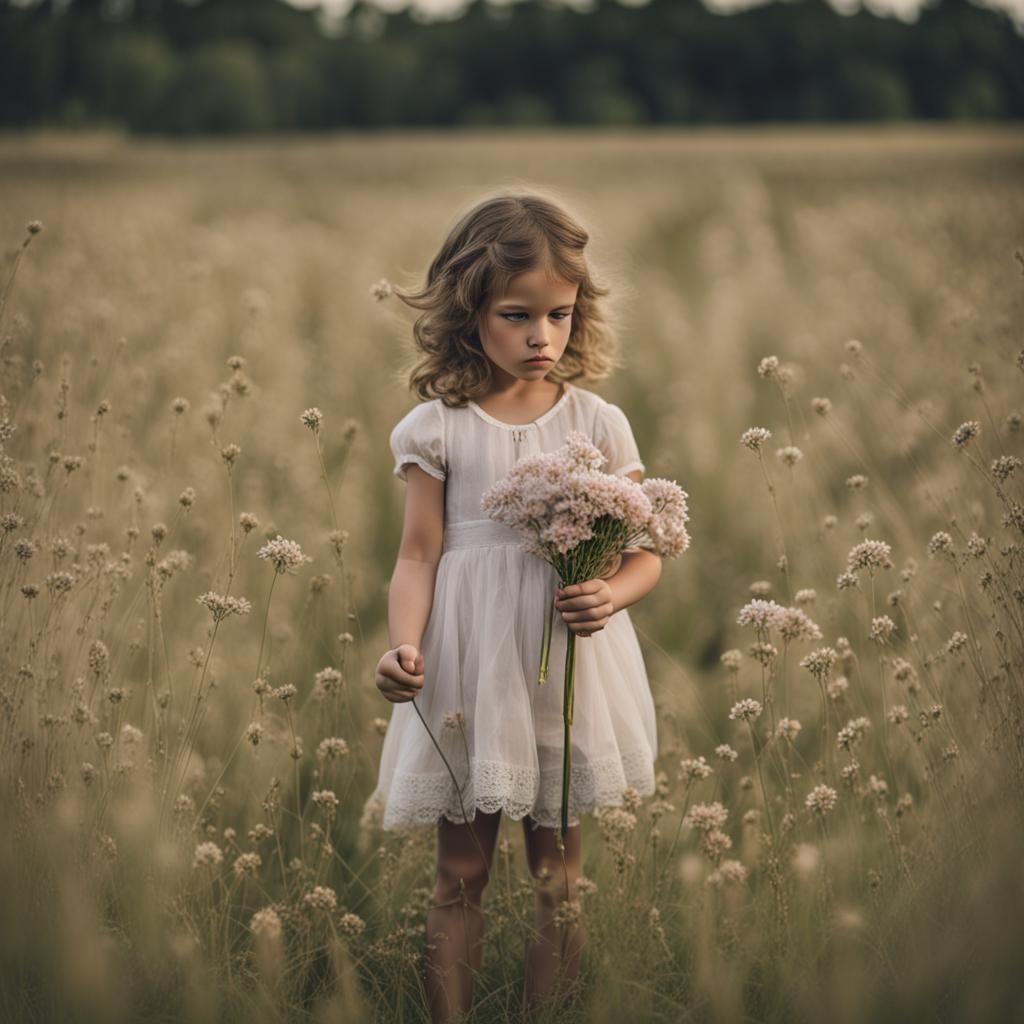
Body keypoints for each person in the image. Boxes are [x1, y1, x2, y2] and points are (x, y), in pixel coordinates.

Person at [367, 190, 663, 1023]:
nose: (543, 337)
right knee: (461, 873)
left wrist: (612, 590)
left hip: (567, 669)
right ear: (469, 313)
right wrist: (403, 647)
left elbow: (648, 552)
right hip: (466, 670)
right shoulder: (437, 428)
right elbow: (419, 553)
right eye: (517, 314)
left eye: (560, 316)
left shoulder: (597, 424)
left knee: (558, 879)